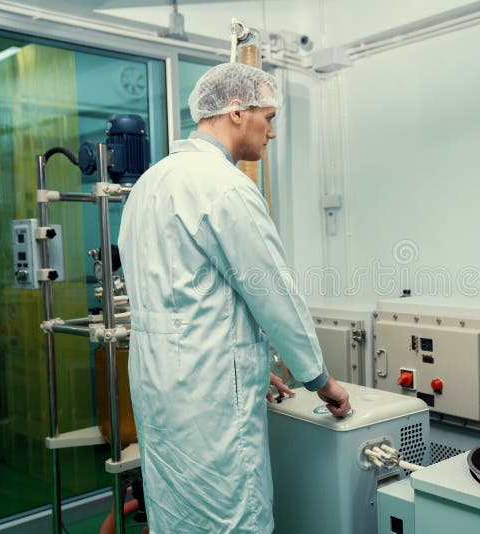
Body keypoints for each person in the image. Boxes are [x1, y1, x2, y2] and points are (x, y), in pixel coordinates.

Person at [118, 62, 351, 533]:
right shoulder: (226, 189)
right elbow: (274, 297)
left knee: (175, 515)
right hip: (210, 408)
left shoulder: (149, 185)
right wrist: (322, 382)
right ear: (236, 111)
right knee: (232, 516)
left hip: (160, 389)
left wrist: (247, 362)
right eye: (268, 118)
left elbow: (184, 303)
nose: (272, 133)